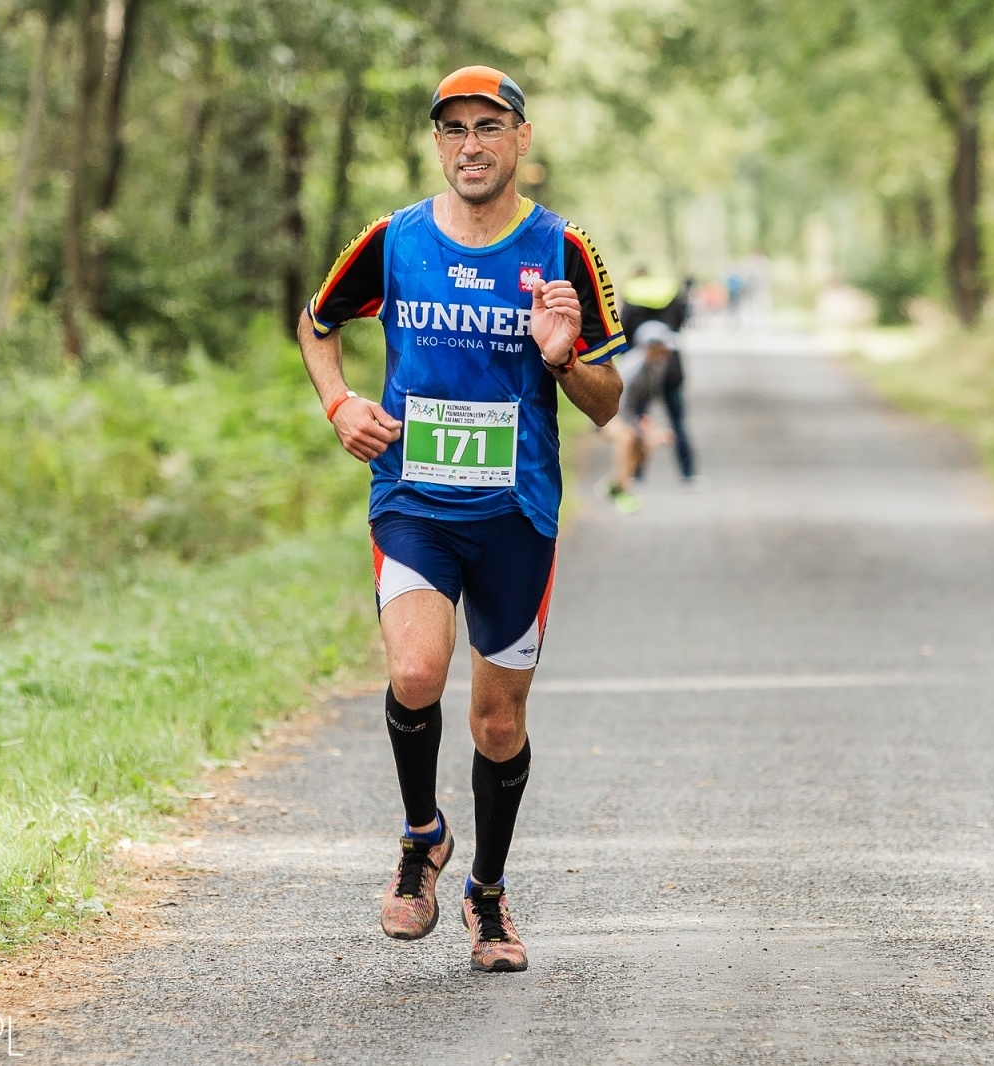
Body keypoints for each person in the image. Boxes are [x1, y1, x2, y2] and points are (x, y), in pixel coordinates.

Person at [297, 65, 625, 973]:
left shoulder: (564, 251)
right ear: (439, 144)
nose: (471, 145)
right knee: (413, 671)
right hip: (414, 500)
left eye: (489, 127)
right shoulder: (395, 240)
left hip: (517, 513)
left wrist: (562, 360)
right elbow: (316, 321)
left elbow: (607, 401)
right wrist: (339, 407)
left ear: (522, 138)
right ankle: (420, 840)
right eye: (454, 130)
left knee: (495, 725)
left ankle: (487, 895)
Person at [618, 271, 697, 483]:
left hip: (643, 368)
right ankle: (688, 473)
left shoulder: (631, 296)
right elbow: (682, 321)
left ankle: (636, 474)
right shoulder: (670, 292)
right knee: (678, 422)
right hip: (671, 369)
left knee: (637, 420)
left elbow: (621, 329)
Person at [601, 321, 679, 513]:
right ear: (650, 347)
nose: (667, 352)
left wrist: (648, 426)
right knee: (628, 439)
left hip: (629, 415)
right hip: (608, 413)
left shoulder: (658, 366)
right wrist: (640, 430)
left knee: (643, 449)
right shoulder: (632, 368)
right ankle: (623, 492)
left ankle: (614, 485)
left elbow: (649, 401)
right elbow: (619, 404)